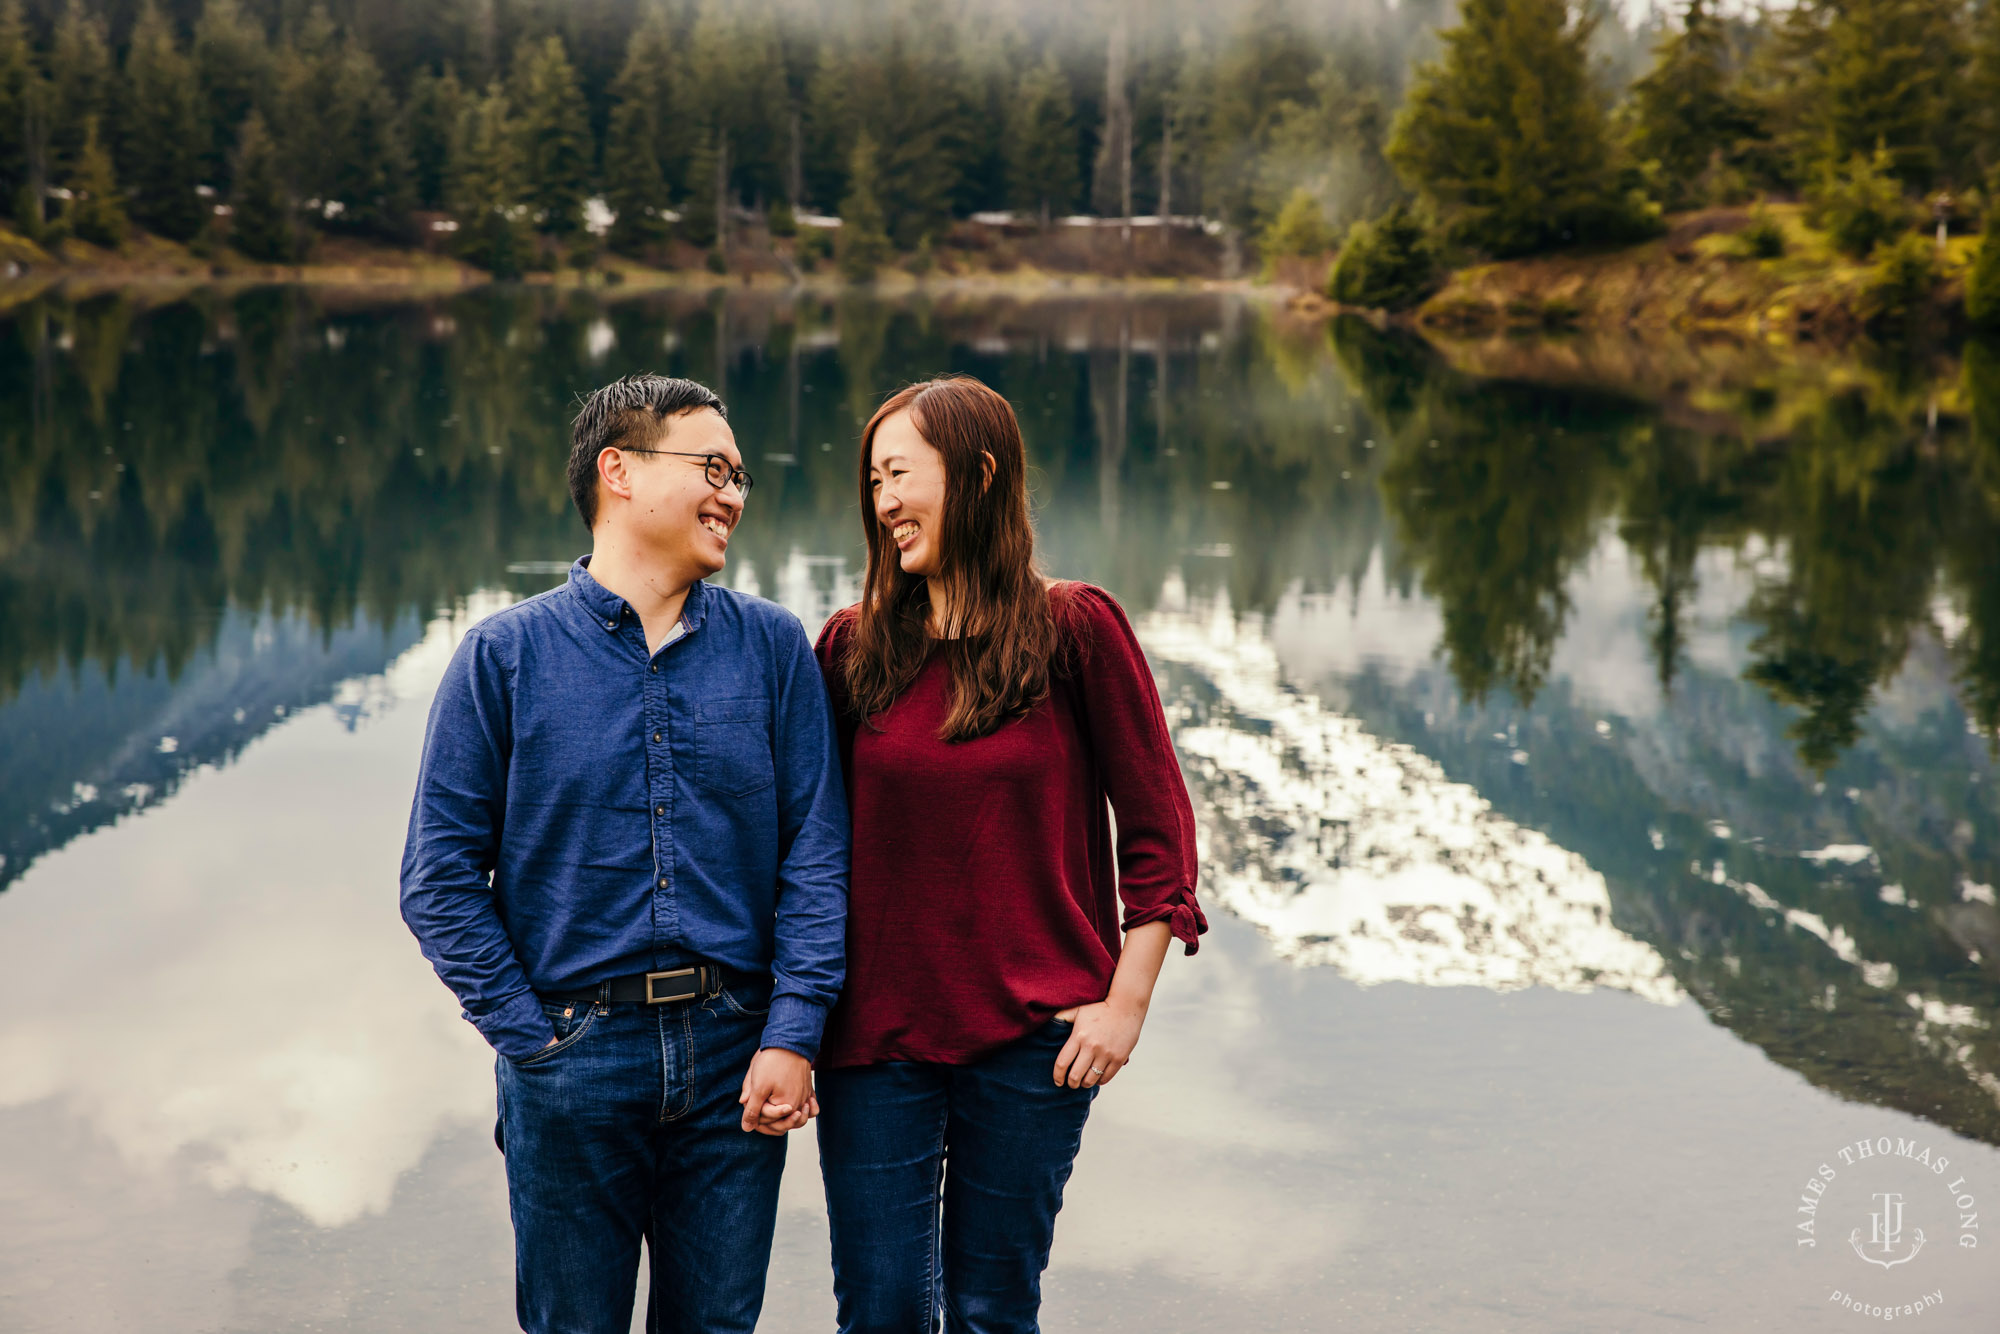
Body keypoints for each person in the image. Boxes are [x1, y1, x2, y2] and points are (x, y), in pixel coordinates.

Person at [400, 374, 848, 1334]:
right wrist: (531, 1038)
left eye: (741, 476)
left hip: (738, 1054)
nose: (732, 492)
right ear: (619, 471)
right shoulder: (503, 658)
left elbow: (816, 855)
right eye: (711, 468)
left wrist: (793, 1030)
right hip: (570, 1056)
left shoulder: (773, 650)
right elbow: (437, 880)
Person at [812, 374, 1206, 1333]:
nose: (883, 503)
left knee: (993, 1309)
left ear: (980, 473)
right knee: (882, 1314)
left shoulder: (1077, 630)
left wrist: (1127, 1006)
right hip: (874, 1043)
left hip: (1037, 1044)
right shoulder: (851, 647)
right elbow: (804, 847)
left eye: (900, 474)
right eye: (873, 482)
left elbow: (1159, 836)